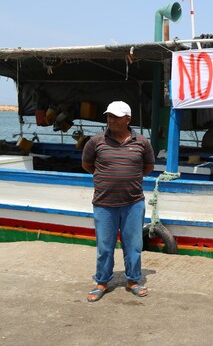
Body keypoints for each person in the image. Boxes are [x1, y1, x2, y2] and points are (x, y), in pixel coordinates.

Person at [81, 101, 155, 302]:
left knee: (134, 245)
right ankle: (102, 282)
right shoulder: (95, 142)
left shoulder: (142, 142)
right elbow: (87, 164)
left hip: (133, 203)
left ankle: (133, 281)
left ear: (128, 119)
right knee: (105, 246)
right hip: (104, 204)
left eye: (116, 116)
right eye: (109, 116)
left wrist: (128, 177)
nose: (111, 120)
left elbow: (148, 166)